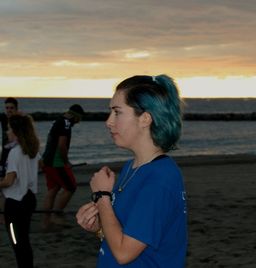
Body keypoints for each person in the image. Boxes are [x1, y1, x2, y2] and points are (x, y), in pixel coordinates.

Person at [76, 74, 188, 267]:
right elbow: (129, 236)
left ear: (145, 119)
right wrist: (98, 228)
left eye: (117, 112)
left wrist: (102, 197)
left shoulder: (160, 179)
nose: (108, 122)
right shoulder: (132, 167)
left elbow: (124, 253)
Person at [0, 114, 40, 268]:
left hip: (15, 203)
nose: (7, 132)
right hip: (29, 199)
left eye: (9, 129)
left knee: (17, 243)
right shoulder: (32, 149)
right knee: (24, 241)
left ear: (17, 131)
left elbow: (9, 181)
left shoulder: (15, 152)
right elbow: (40, 165)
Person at [41, 104, 84, 229]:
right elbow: (61, 145)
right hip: (56, 162)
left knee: (52, 190)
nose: (78, 122)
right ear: (76, 116)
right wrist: (66, 162)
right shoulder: (66, 123)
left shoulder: (58, 120)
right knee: (71, 187)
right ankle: (56, 216)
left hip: (47, 161)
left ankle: (45, 222)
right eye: (79, 119)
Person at [0, 97, 19, 177]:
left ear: (16, 109)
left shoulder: (20, 121)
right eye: (7, 108)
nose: (9, 110)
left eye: (11, 108)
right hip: (5, 155)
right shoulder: (3, 118)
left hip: (16, 155)